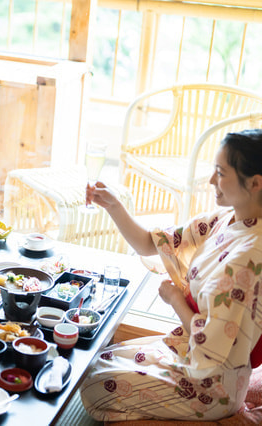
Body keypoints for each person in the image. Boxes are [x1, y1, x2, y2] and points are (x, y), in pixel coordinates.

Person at [80, 129, 262, 421]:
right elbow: (150, 243)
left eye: (220, 173)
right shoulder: (226, 219)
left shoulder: (250, 256)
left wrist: (175, 298)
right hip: (187, 348)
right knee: (96, 362)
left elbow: (211, 347)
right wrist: (113, 205)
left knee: (95, 388)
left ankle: (222, 417)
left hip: (212, 383)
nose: (211, 180)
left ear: (254, 183)